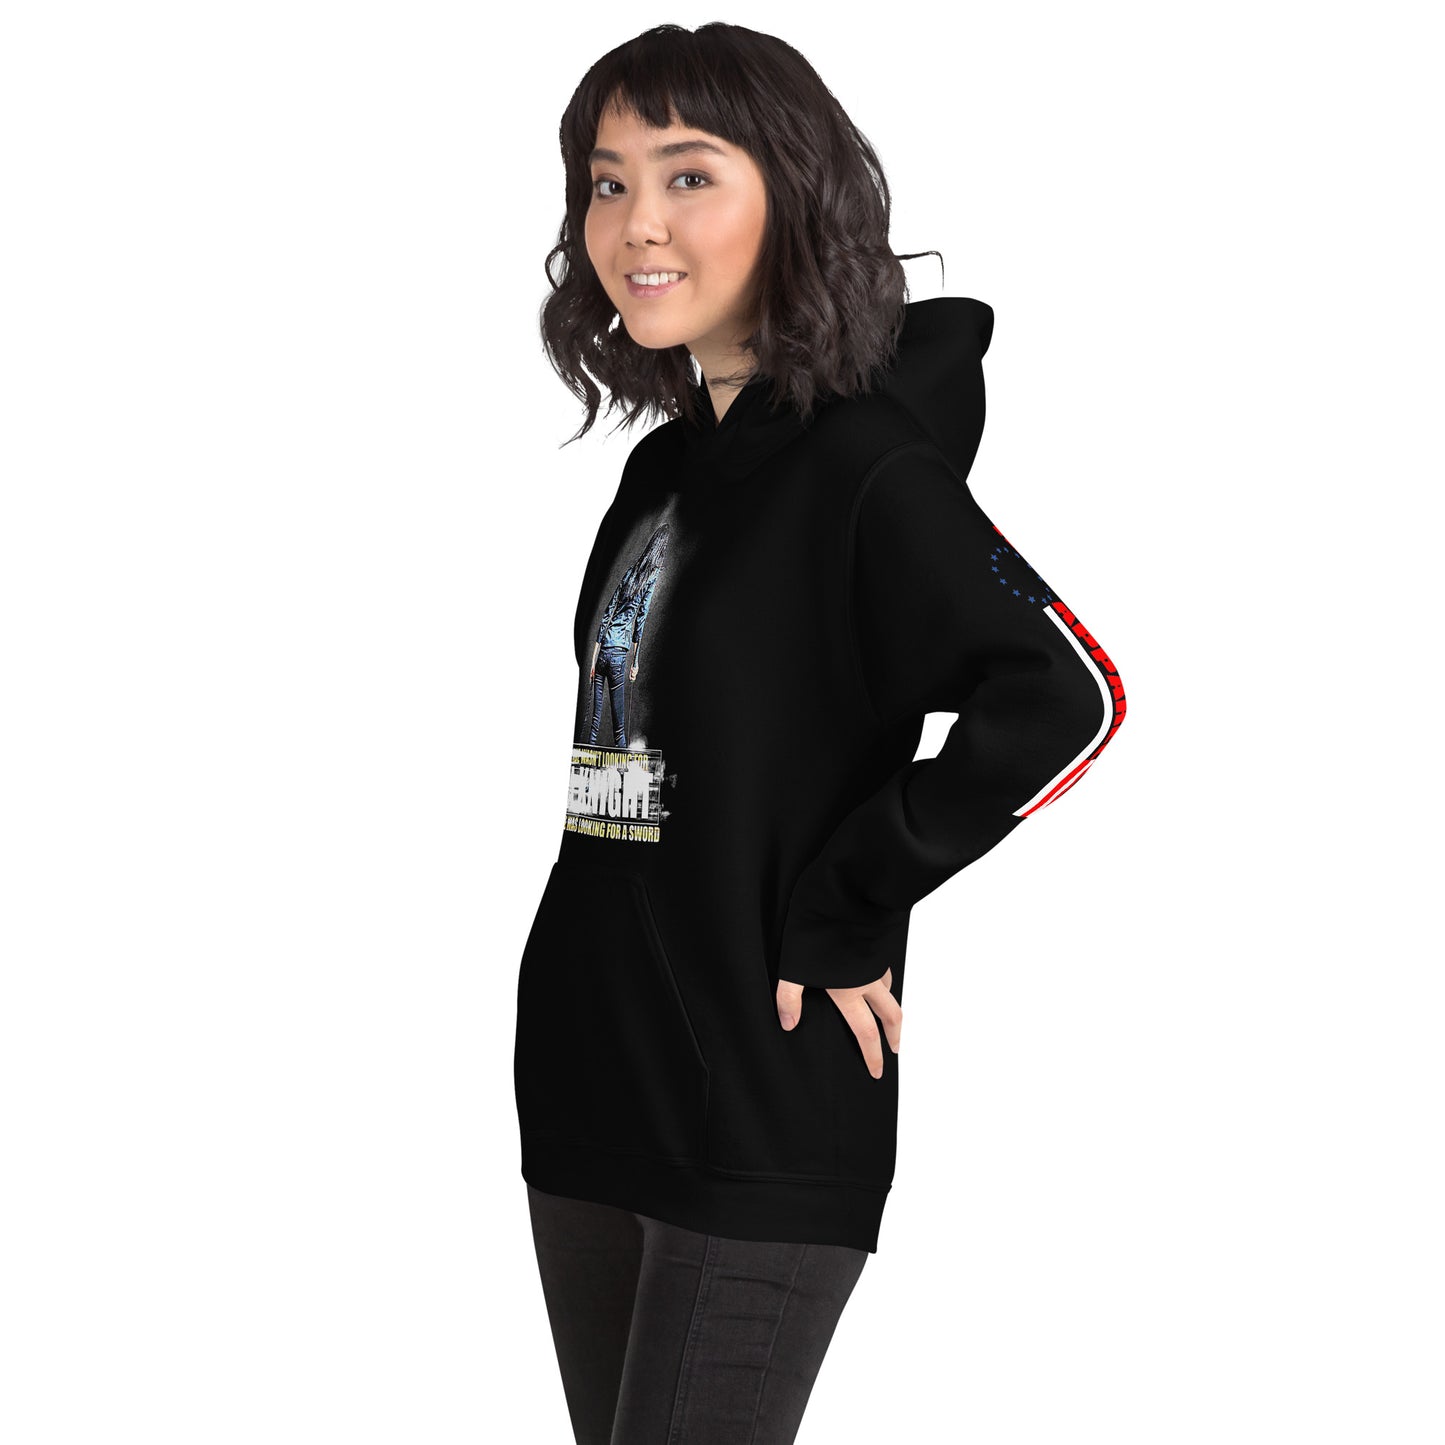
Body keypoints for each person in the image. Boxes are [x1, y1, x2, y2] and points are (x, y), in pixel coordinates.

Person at [515, 22, 1129, 1444]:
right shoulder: (664, 472)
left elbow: (1065, 693)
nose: (636, 224)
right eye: (607, 182)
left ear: (794, 195)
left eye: (688, 176)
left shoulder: (867, 465)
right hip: (590, 1073)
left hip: (761, 1097)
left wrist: (852, 899)